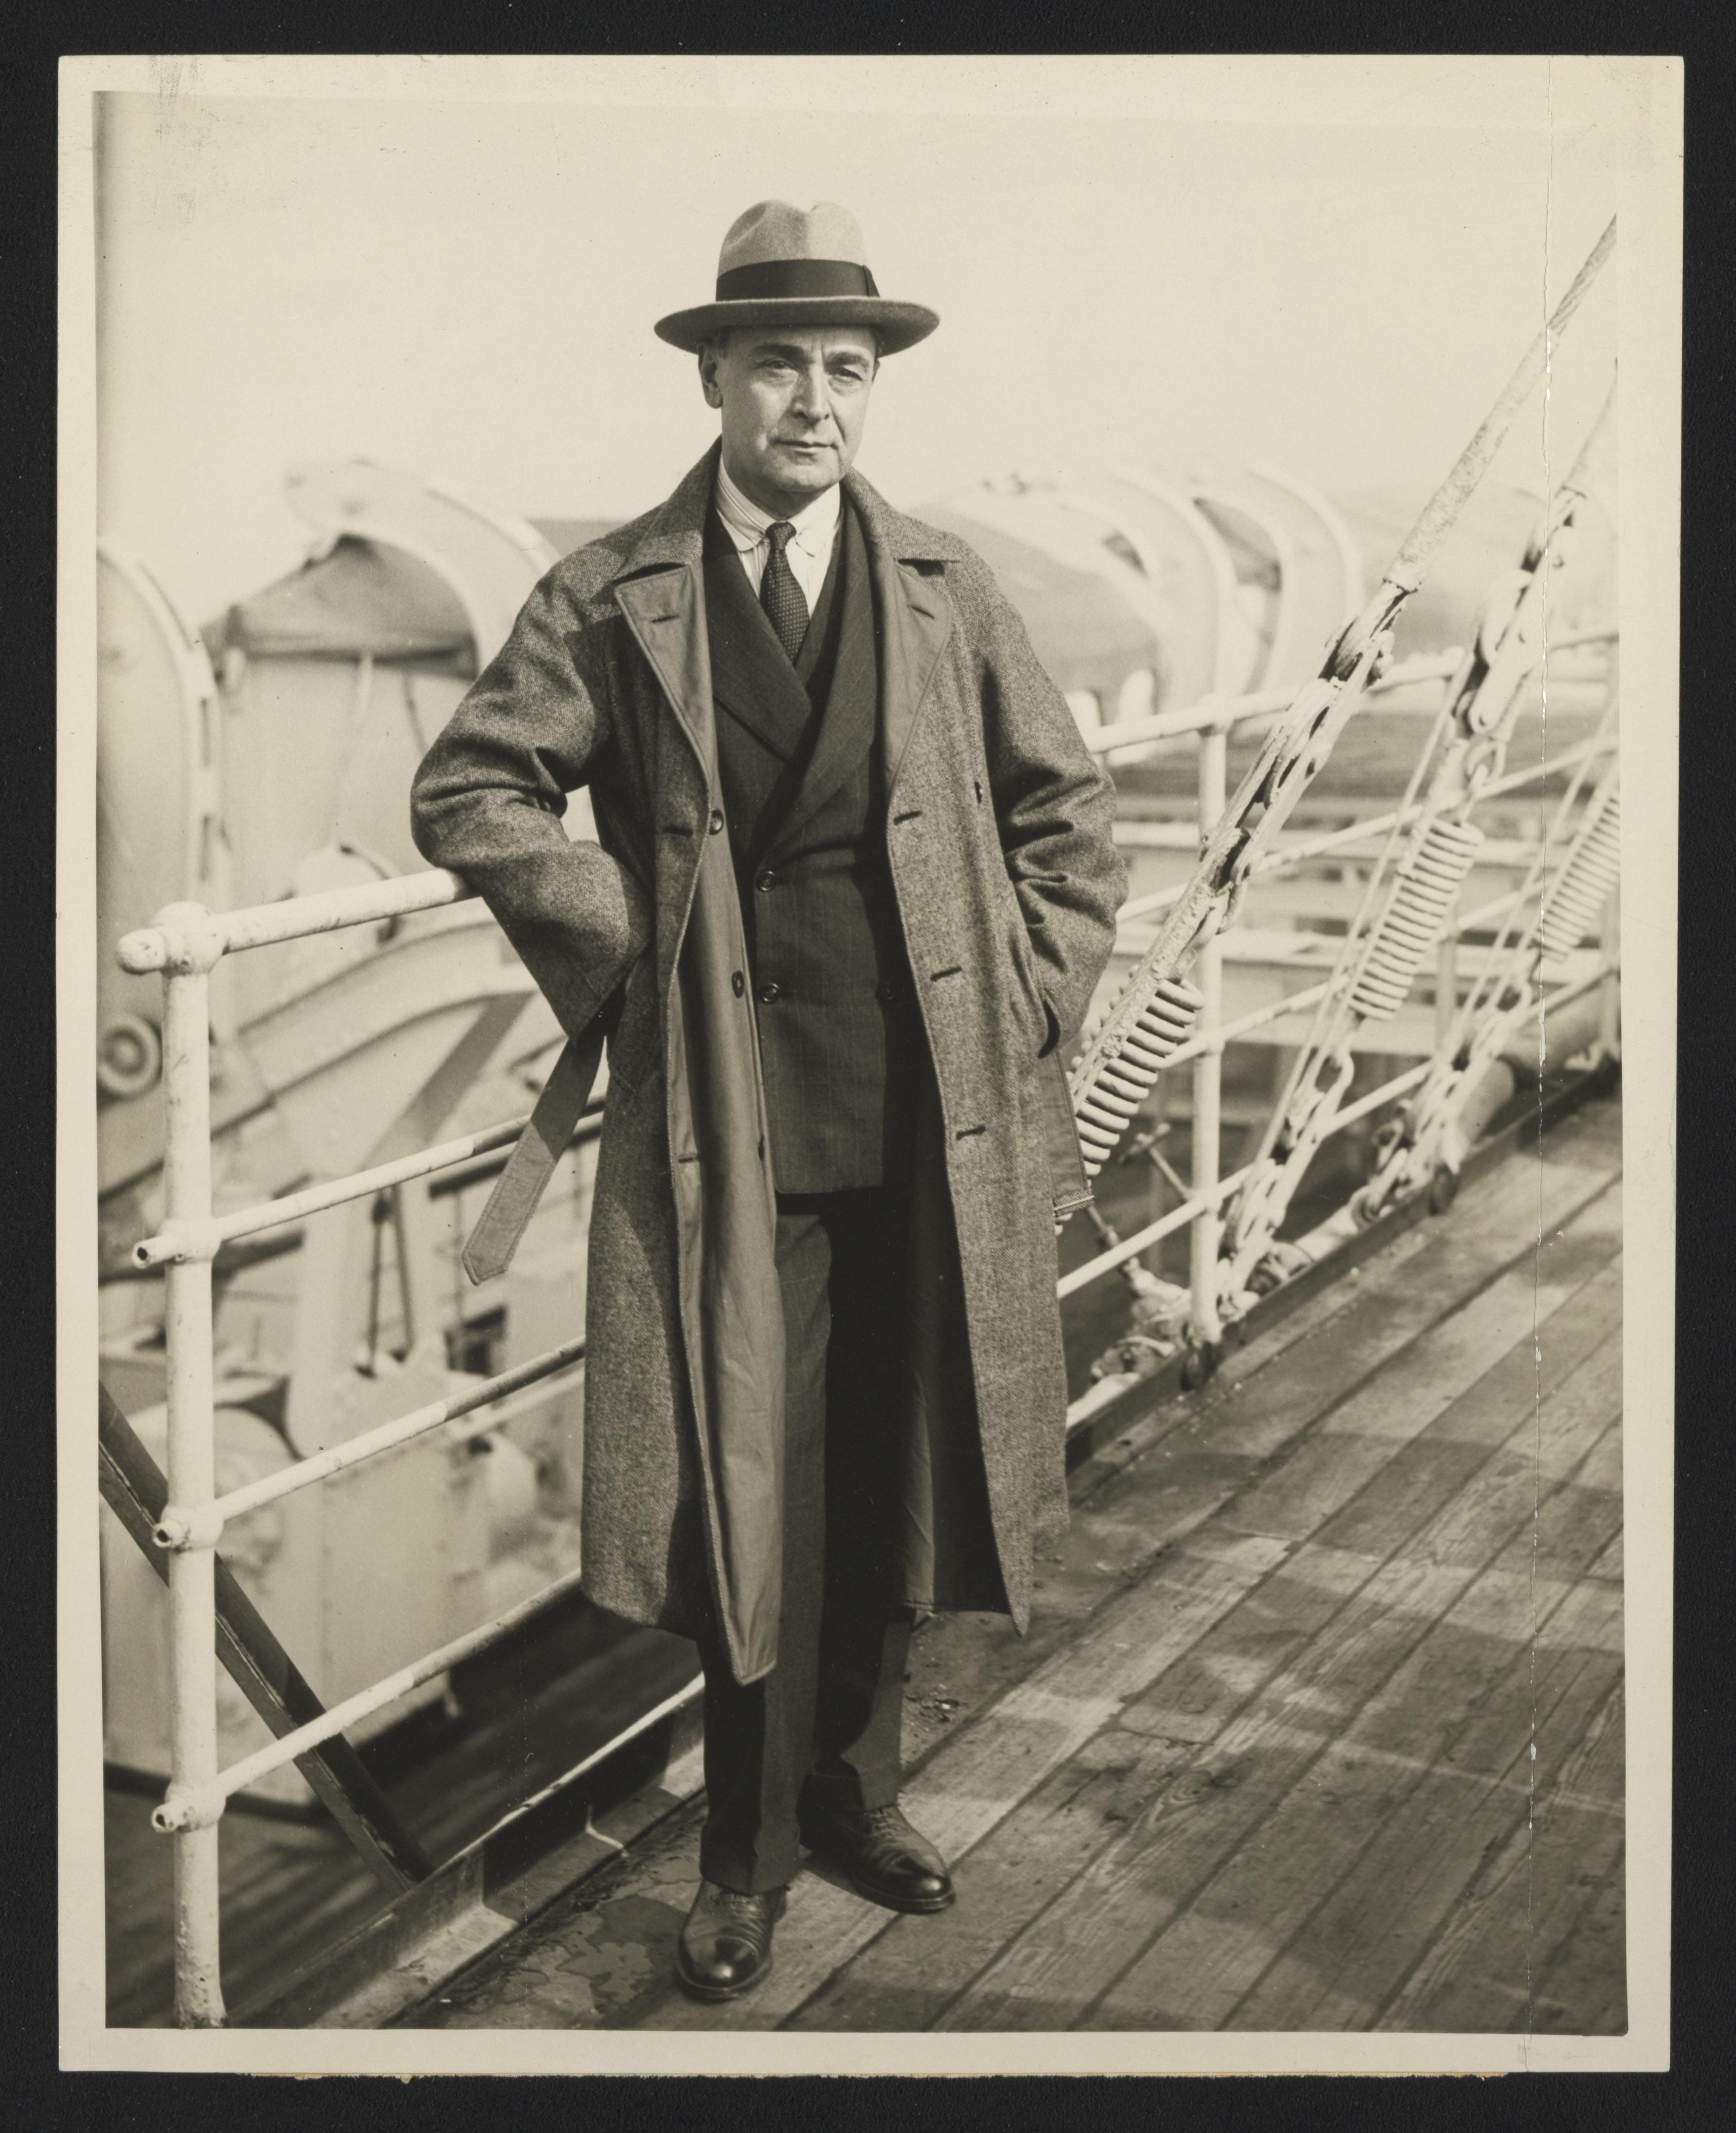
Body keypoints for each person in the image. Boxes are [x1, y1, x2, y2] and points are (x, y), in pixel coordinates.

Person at [410, 199, 1127, 2002]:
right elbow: (474, 788)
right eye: (782, 365)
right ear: (714, 380)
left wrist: (1026, 1002)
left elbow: (1069, 816)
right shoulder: (610, 592)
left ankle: (852, 1794)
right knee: (747, 1491)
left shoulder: (946, 585)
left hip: (928, 1112)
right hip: (724, 1128)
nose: (816, 401)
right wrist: (631, 941)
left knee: (892, 1456)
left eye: (848, 369)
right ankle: (739, 1858)